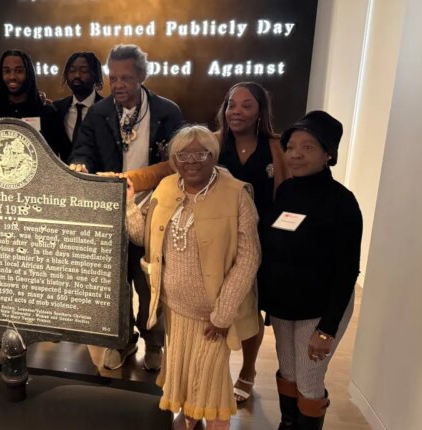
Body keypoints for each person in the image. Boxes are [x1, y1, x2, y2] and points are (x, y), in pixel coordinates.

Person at [123, 82, 289, 401]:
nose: (237, 111)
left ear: (260, 112)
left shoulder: (276, 147)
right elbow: (168, 169)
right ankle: (197, 395)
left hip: (261, 237)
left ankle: (248, 370)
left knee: (249, 308)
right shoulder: (209, 142)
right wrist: (129, 182)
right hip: (216, 240)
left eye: (246, 105)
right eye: (231, 105)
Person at [125, 125, 260, 430]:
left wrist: (223, 315)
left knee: (211, 390)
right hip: (176, 311)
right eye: (183, 155)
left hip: (214, 318)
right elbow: (140, 237)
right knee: (187, 383)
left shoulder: (236, 193)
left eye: (201, 153)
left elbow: (249, 258)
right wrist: (131, 205)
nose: (192, 161)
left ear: (213, 156)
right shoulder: (166, 187)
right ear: (174, 159)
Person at [69, 44, 183, 371]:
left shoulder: (168, 112)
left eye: (126, 78)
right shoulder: (99, 112)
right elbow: (83, 151)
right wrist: (79, 166)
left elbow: (176, 163)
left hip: (155, 213)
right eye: (113, 77)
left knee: (149, 283)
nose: (118, 84)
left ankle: (153, 342)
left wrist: (133, 179)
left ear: (142, 76)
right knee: (114, 287)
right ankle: (121, 341)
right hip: (110, 215)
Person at [258, 111, 362, 430]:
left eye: (308, 147)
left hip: (318, 311)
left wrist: (327, 329)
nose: (296, 155)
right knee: (287, 372)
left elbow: (347, 271)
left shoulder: (342, 203)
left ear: (328, 153)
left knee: (309, 378)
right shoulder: (286, 192)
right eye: (291, 147)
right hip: (284, 307)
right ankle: (288, 425)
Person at [0, 49, 68, 160]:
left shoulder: (47, 112)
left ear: (29, 74)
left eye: (19, 71)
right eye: (7, 71)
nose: (12, 76)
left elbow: (63, 154)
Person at [52, 52, 104, 153]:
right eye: (72, 70)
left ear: (95, 75)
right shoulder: (57, 108)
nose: (77, 75)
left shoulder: (107, 109)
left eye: (84, 70)